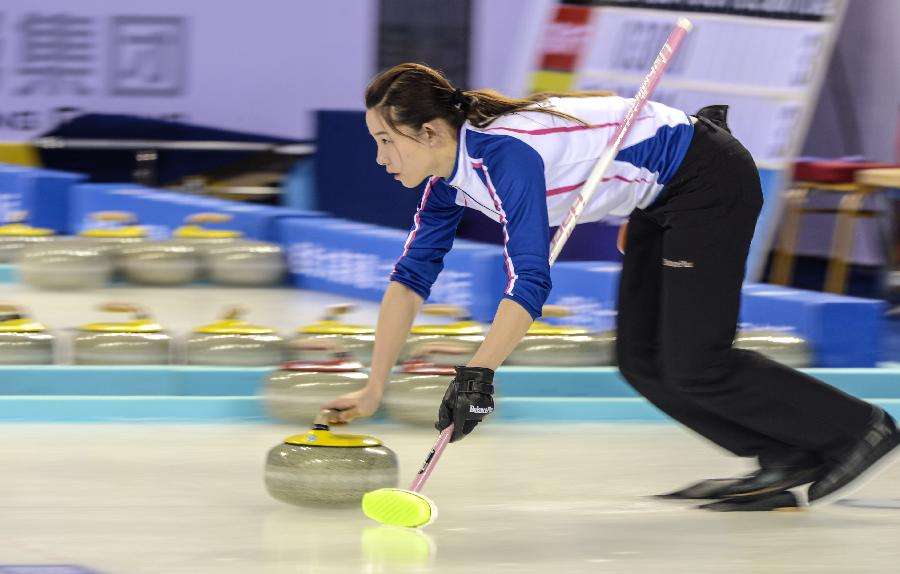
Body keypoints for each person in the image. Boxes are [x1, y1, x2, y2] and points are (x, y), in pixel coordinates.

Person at [322, 62, 899, 509]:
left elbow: (528, 282)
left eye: (386, 140)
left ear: (428, 132)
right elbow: (408, 281)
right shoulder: (448, 181)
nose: (380, 158)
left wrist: (480, 373)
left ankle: (859, 428)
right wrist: (375, 387)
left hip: (705, 179)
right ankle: (784, 454)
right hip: (657, 198)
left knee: (697, 359)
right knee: (641, 360)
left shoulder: (507, 158)